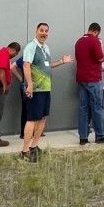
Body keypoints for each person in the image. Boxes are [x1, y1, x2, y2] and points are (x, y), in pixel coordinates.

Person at [21, 22, 72, 162]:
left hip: (46, 89)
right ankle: (24, 151)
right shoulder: (31, 47)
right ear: (36, 31)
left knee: (43, 118)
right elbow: (26, 65)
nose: (44, 33)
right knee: (32, 119)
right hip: (35, 90)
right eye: (41, 30)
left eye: (46, 31)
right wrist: (30, 84)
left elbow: (48, 65)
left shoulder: (46, 48)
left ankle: (34, 146)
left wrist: (62, 61)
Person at [75, 23, 104, 145]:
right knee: (97, 107)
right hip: (93, 78)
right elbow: (99, 58)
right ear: (97, 32)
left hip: (81, 78)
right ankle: (100, 135)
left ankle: (83, 137)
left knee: (83, 108)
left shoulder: (79, 41)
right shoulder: (95, 41)